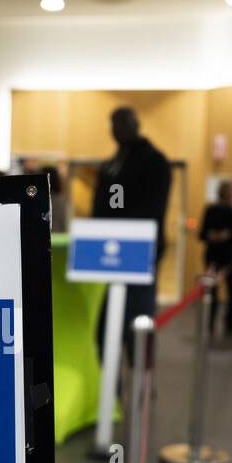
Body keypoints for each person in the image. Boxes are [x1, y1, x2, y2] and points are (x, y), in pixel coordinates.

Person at [91, 106, 172, 352]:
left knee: (137, 332)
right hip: (105, 256)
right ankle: (109, 389)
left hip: (138, 255)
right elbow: (100, 210)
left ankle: (142, 388)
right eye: (113, 124)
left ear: (135, 124)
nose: (116, 130)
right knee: (105, 334)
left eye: (121, 124)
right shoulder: (111, 165)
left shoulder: (155, 162)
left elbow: (152, 210)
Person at [198, 178, 232, 344]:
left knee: (231, 290)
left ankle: (230, 325)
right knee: (212, 291)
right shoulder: (211, 209)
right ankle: (209, 324)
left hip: (229, 256)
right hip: (212, 256)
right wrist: (214, 235)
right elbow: (202, 233)